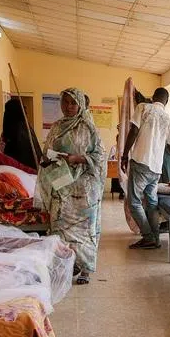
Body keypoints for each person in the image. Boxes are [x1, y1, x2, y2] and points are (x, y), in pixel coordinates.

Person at [39, 88, 106, 284]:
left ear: (80, 105)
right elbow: (48, 150)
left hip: (84, 190)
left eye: (72, 103)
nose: (68, 107)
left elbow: (99, 156)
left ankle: (85, 269)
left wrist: (77, 158)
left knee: (85, 231)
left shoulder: (88, 127)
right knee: (60, 229)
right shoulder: (57, 127)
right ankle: (69, 263)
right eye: (65, 102)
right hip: (62, 186)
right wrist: (47, 159)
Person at [121, 87, 170, 249]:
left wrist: (124, 154)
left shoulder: (143, 107)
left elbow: (134, 130)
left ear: (153, 96)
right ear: (167, 101)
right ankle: (155, 238)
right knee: (151, 202)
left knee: (134, 202)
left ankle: (148, 236)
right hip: (156, 168)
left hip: (141, 161)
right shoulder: (166, 118)